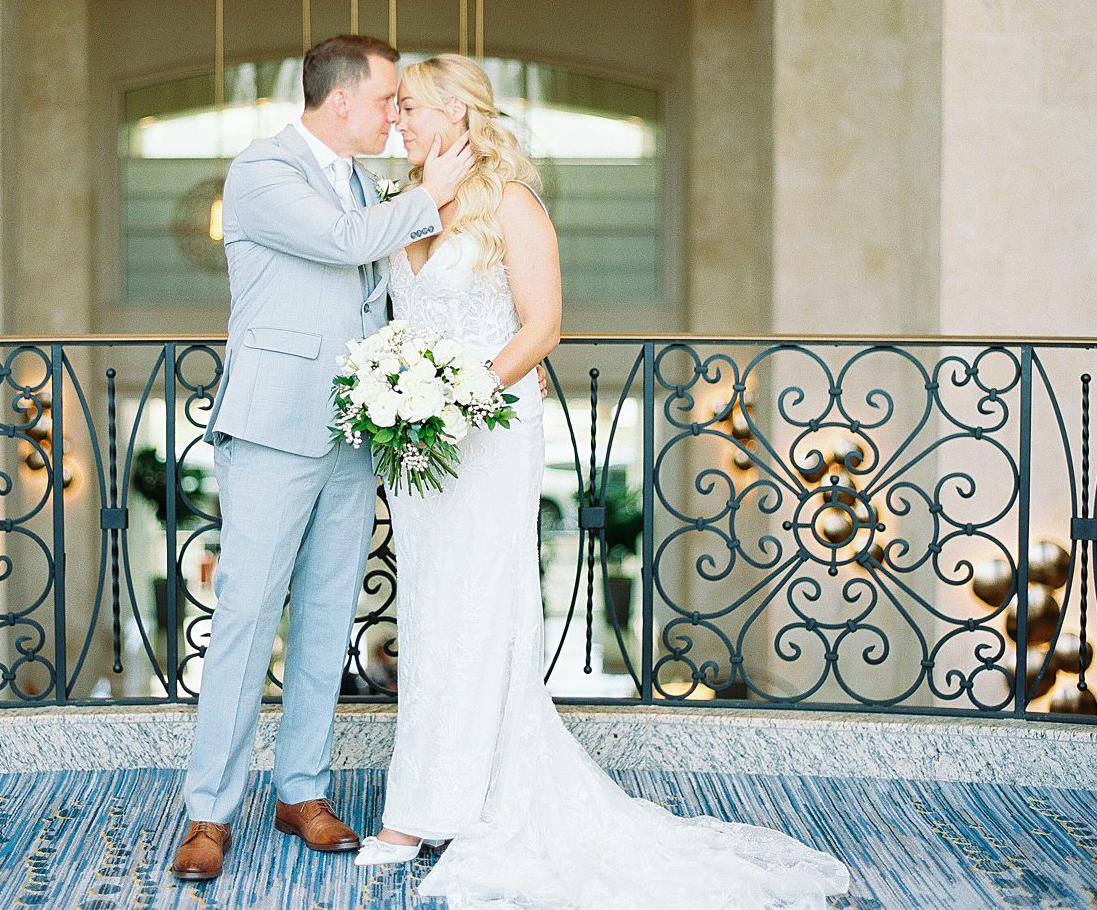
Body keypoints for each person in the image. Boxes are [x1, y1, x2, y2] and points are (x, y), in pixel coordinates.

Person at [354, 53, 852, 910]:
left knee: (480, 608)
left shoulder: (511, 204)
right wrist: (397, 395)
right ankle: (448, 789)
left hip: (488, 428)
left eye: (408, 106)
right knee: (431, 609)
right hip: (421, 445)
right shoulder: (406, 206)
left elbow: (544, 326)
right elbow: (401, 317)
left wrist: (466, 395)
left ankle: (427, 810)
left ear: (457, 115)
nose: (395, 119)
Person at [170, 35, 474, 882]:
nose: (392, 113)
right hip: (273, 427)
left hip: (351, 431)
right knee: (244, 620)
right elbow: (344, 245)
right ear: (339, 100)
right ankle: (207, 813)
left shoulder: (367, 181)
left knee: (326, 619)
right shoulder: (262, 172)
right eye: (385, 100)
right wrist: (433, 193)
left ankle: (301, 790)